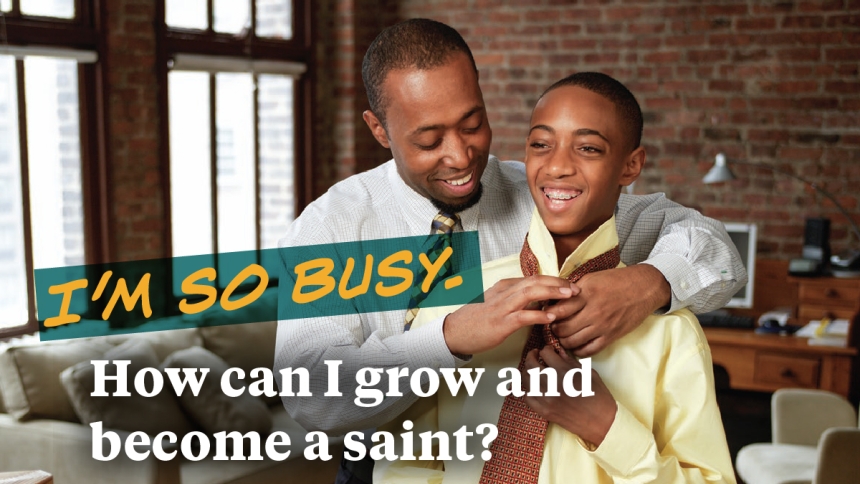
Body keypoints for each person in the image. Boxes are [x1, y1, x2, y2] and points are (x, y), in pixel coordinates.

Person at [275, 18, 744, 483]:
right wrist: (450, 336)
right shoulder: (328, 229)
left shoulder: (550, 193)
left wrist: (647, 282)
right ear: (379, 130)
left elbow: (714, 248)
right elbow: (311, 396)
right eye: (429, 140)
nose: (460, 157)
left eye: (472, 124)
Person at [373, 71, 736, 484]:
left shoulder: (671, 334)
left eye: (588, 148)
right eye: (541, 144)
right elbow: (404, 470)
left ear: (631, 165)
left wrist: (606, 428)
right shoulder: (450, 304)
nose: (558, 166)